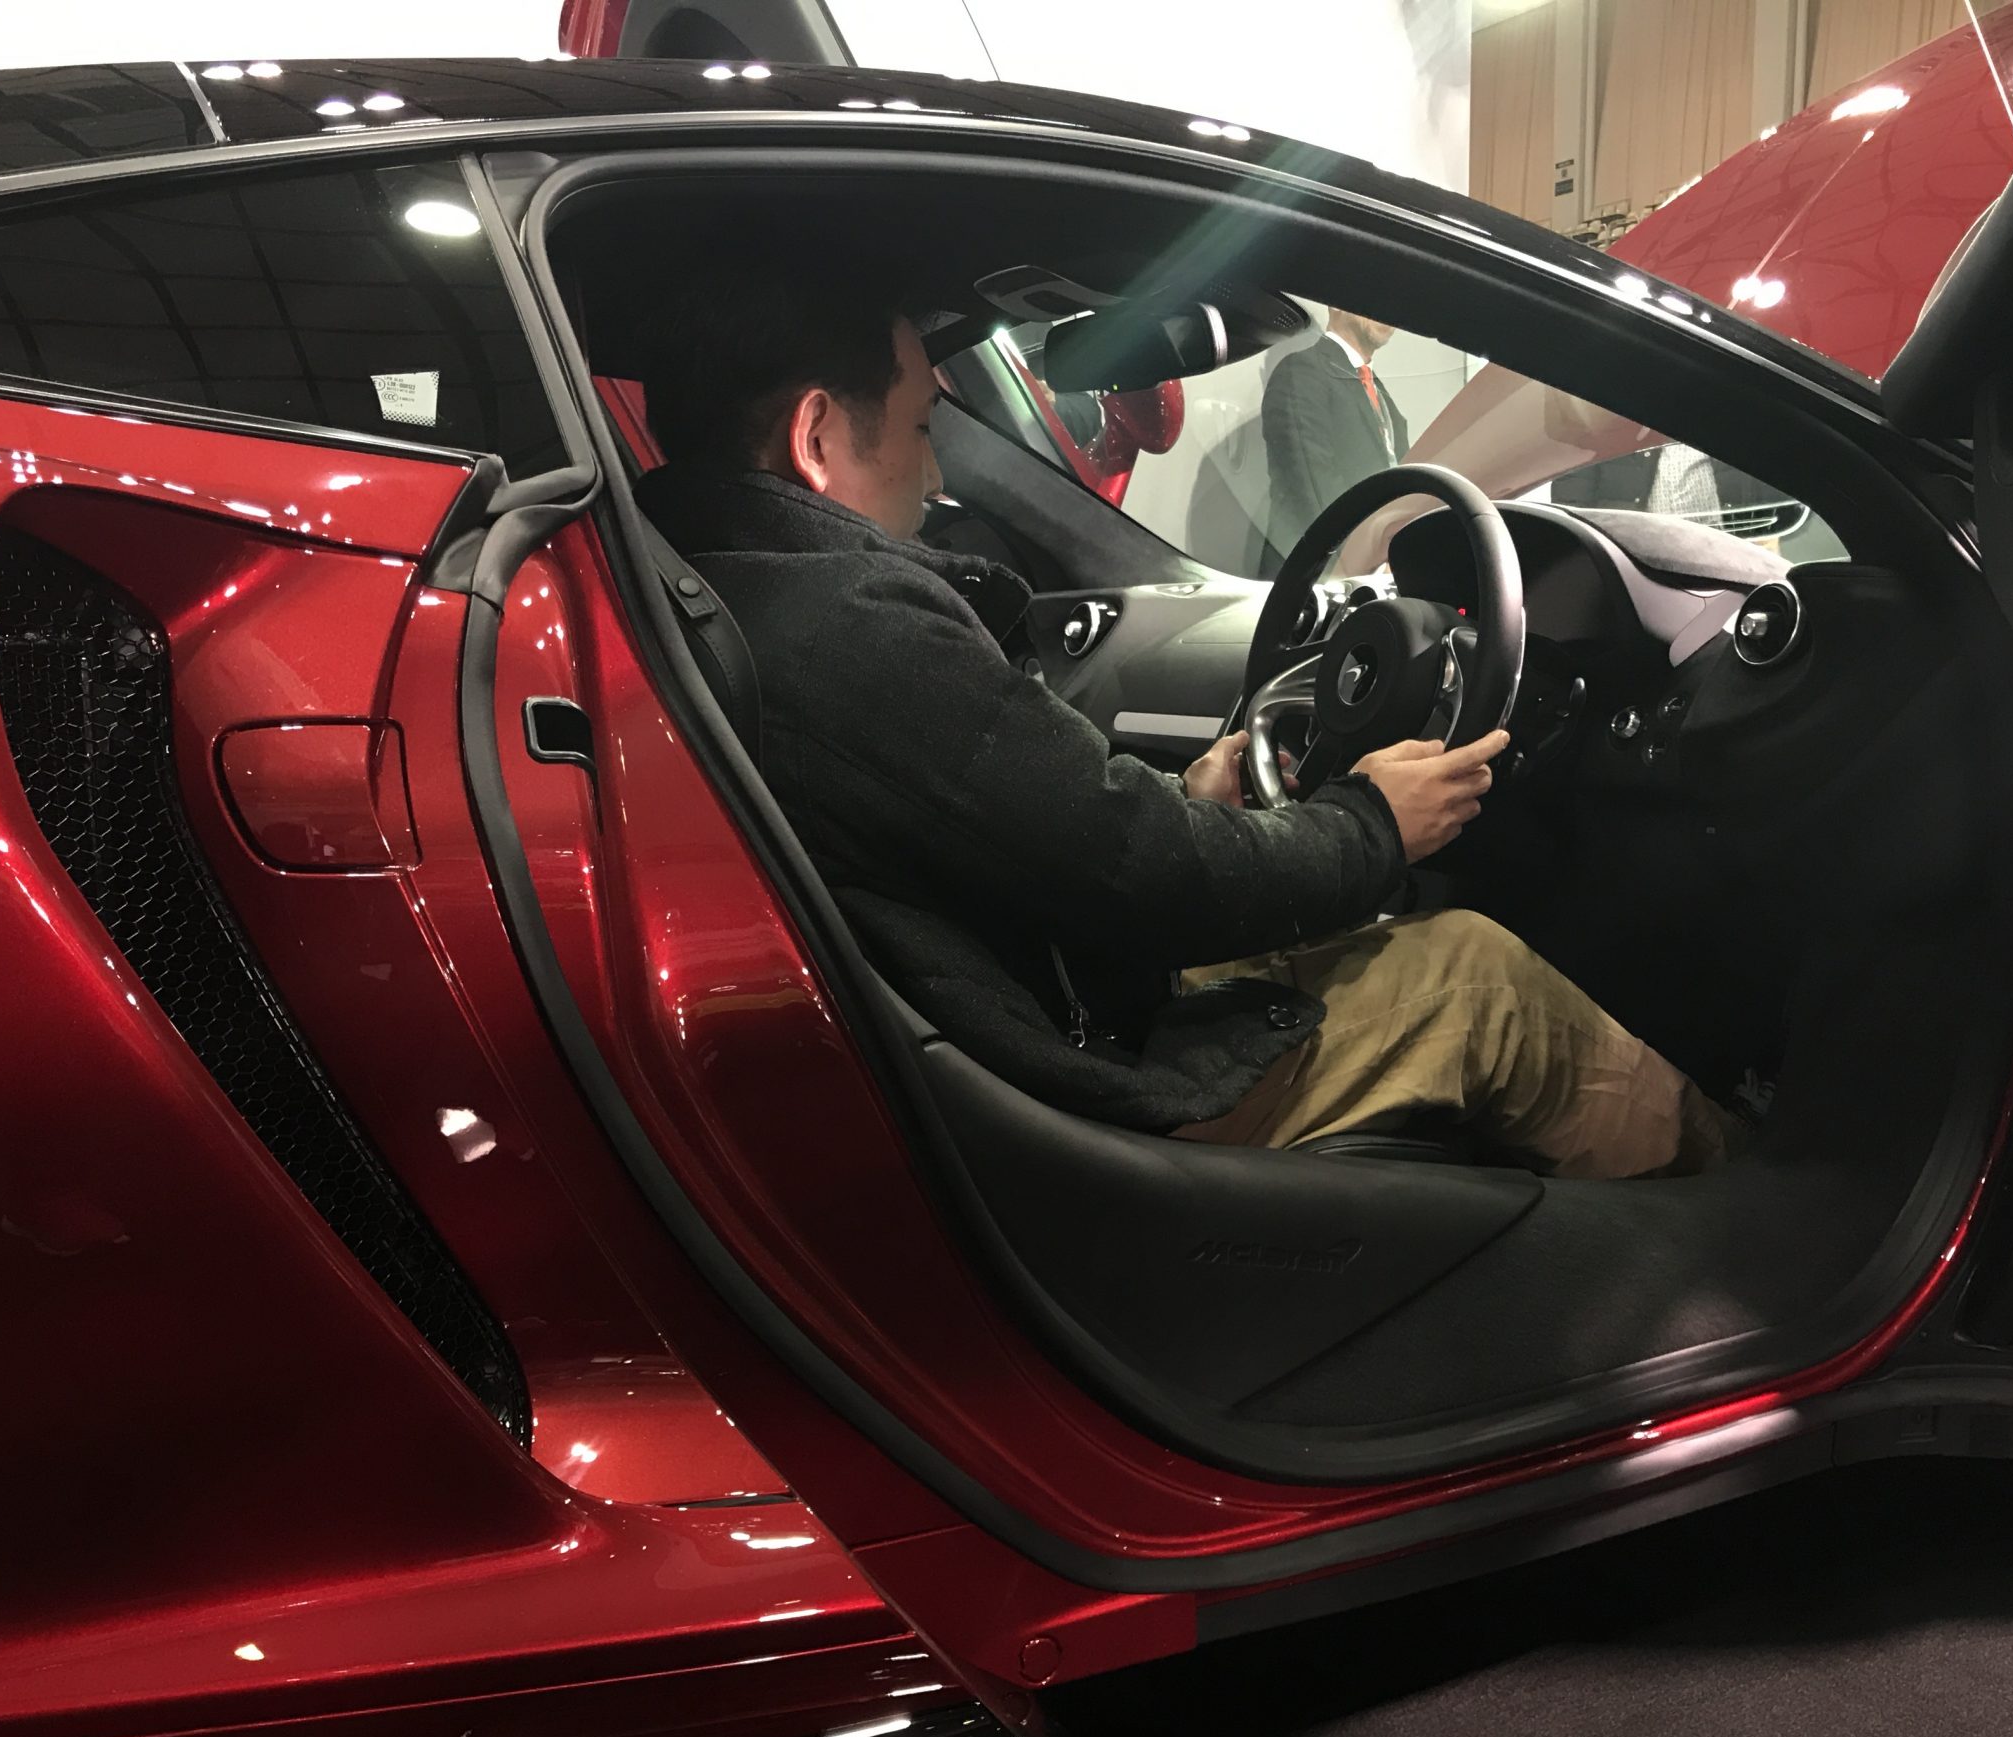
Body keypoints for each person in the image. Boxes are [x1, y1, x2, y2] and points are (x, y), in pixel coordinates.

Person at [634, 259, 1736, 1177]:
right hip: (1077, 1086)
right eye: (923, 425)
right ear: (818, 437)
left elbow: (1059, 834)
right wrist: (1375, 827)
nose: (932, 472)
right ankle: (1739, 1211)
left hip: (1022, 1020)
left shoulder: (714, 589)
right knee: (1477, 975)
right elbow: (1150, 874)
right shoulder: (852, 622)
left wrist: (1179, 798)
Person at [1263, 306, 1408, 554]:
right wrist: (1370, 551)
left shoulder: (1378, 390)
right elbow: (1315, 486)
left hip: (1370, 562)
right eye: (1374, 293)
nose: (1387, 306)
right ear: (1336, 303)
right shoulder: (1302, 370)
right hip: (1318, 565)